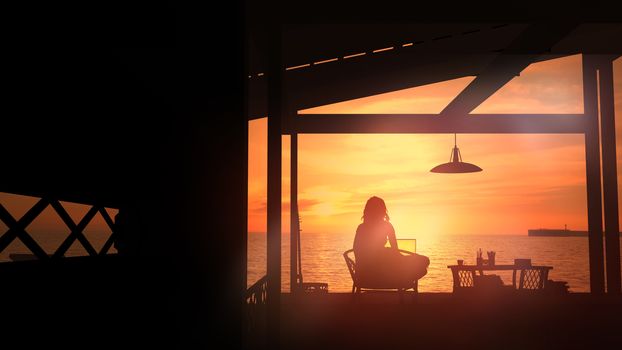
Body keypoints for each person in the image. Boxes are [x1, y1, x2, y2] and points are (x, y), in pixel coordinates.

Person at [353, 196, 429, 284]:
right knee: (424, 262)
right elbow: (395, 251)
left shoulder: (361, 228)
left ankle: (402, 278)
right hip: (385, 272)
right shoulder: (387, 226)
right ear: (382, 211)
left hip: (364, 276)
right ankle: (402, 280)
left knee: (418, 264)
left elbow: (356, 251)